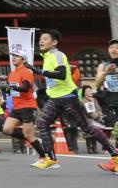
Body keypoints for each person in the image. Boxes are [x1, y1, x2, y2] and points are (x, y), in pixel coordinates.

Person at [28, 29, 118, 172]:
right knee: (42, 123)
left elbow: (62, 74)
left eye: (45, 39)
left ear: (54, 42)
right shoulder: (47, 56)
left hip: (68, 98)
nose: (41, 41)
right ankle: (50, 158)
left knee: (87, 127)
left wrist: (40, 71)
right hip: (55, 99)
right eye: (40, 39)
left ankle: (115, 156)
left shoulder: (57, 54)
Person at [0, 50, 48, 160]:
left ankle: (44, 158)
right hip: (16, 107)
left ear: (23, 59)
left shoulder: (27, 71)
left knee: (28, 135)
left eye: (17, 56)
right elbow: (13, 92)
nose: (14, 58)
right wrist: (4, 89)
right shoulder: (11, 74)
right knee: (6, 129)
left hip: (28, 107)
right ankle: (33, 139)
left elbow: (25, 88)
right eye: (13, 56)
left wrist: (10, 87)